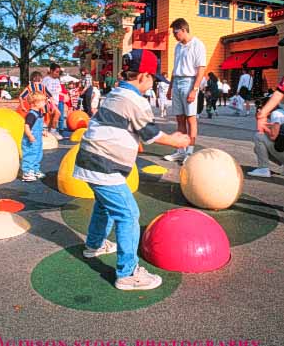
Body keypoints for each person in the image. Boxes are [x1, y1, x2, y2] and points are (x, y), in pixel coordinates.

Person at [73, 49, 190, 291]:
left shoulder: (116, 93)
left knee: (104, 205)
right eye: (153, 80)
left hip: (90, 161)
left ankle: (94, 244)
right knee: (128, 214)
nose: (152, 85)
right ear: (144, 76)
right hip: (105, 166)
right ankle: (128, 273)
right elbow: (150, 133)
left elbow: (120, 124)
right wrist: (176, 140)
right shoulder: (136, 101)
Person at [164, 18, 206, 162]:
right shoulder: (178, 47)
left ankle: (189, 152)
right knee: (179, 119)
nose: (174, 35)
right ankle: (180, 150)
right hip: (177, 82)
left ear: (183, 30)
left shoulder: (197, 44)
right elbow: (175, 69)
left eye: (175, 32)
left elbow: (201, 69)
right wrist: (170, 88)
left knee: (191, 119)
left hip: (189, 82)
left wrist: (194, 89)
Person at [247, 96, 284, 178]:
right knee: (257, 149)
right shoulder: (281, 112)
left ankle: (263, 169)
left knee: (259, 136)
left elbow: (273, 136)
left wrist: (263, 127)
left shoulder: (276, 114)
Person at [19, 71, 62, 140]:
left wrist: (22, 106)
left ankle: (49, 131)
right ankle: (48, 131)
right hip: (39, 107)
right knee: (44, 119)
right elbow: (50, 96)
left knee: (45, 119)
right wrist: (53, 105)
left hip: (41, 106)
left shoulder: (37, 87)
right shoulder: (35, 87)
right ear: (40, 79)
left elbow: (21, 97)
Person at [21, 92, 48, 182]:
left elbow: (40, 124)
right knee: (30, 155)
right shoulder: (31, 114)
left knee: (38, 155)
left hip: (37, 140)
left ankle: (35, 170)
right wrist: (29, 135)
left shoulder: (39, 113)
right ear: (35, 103)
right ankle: (27, 172)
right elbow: (27, 126)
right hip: (30, 140)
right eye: (43, 101)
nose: (45, 102)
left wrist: (43, 130)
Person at [42, 63, 63, 139]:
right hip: (49, 101)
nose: (58, 74)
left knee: (52, 118)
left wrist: (65, 95)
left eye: (59, 72)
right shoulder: (46, 79)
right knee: (58, 113)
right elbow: (43, 91)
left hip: (56, 101)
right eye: (56, 72)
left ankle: (49, 131)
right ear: (51, 71)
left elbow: (58, 91)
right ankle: (53, 132)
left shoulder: (57, 80)